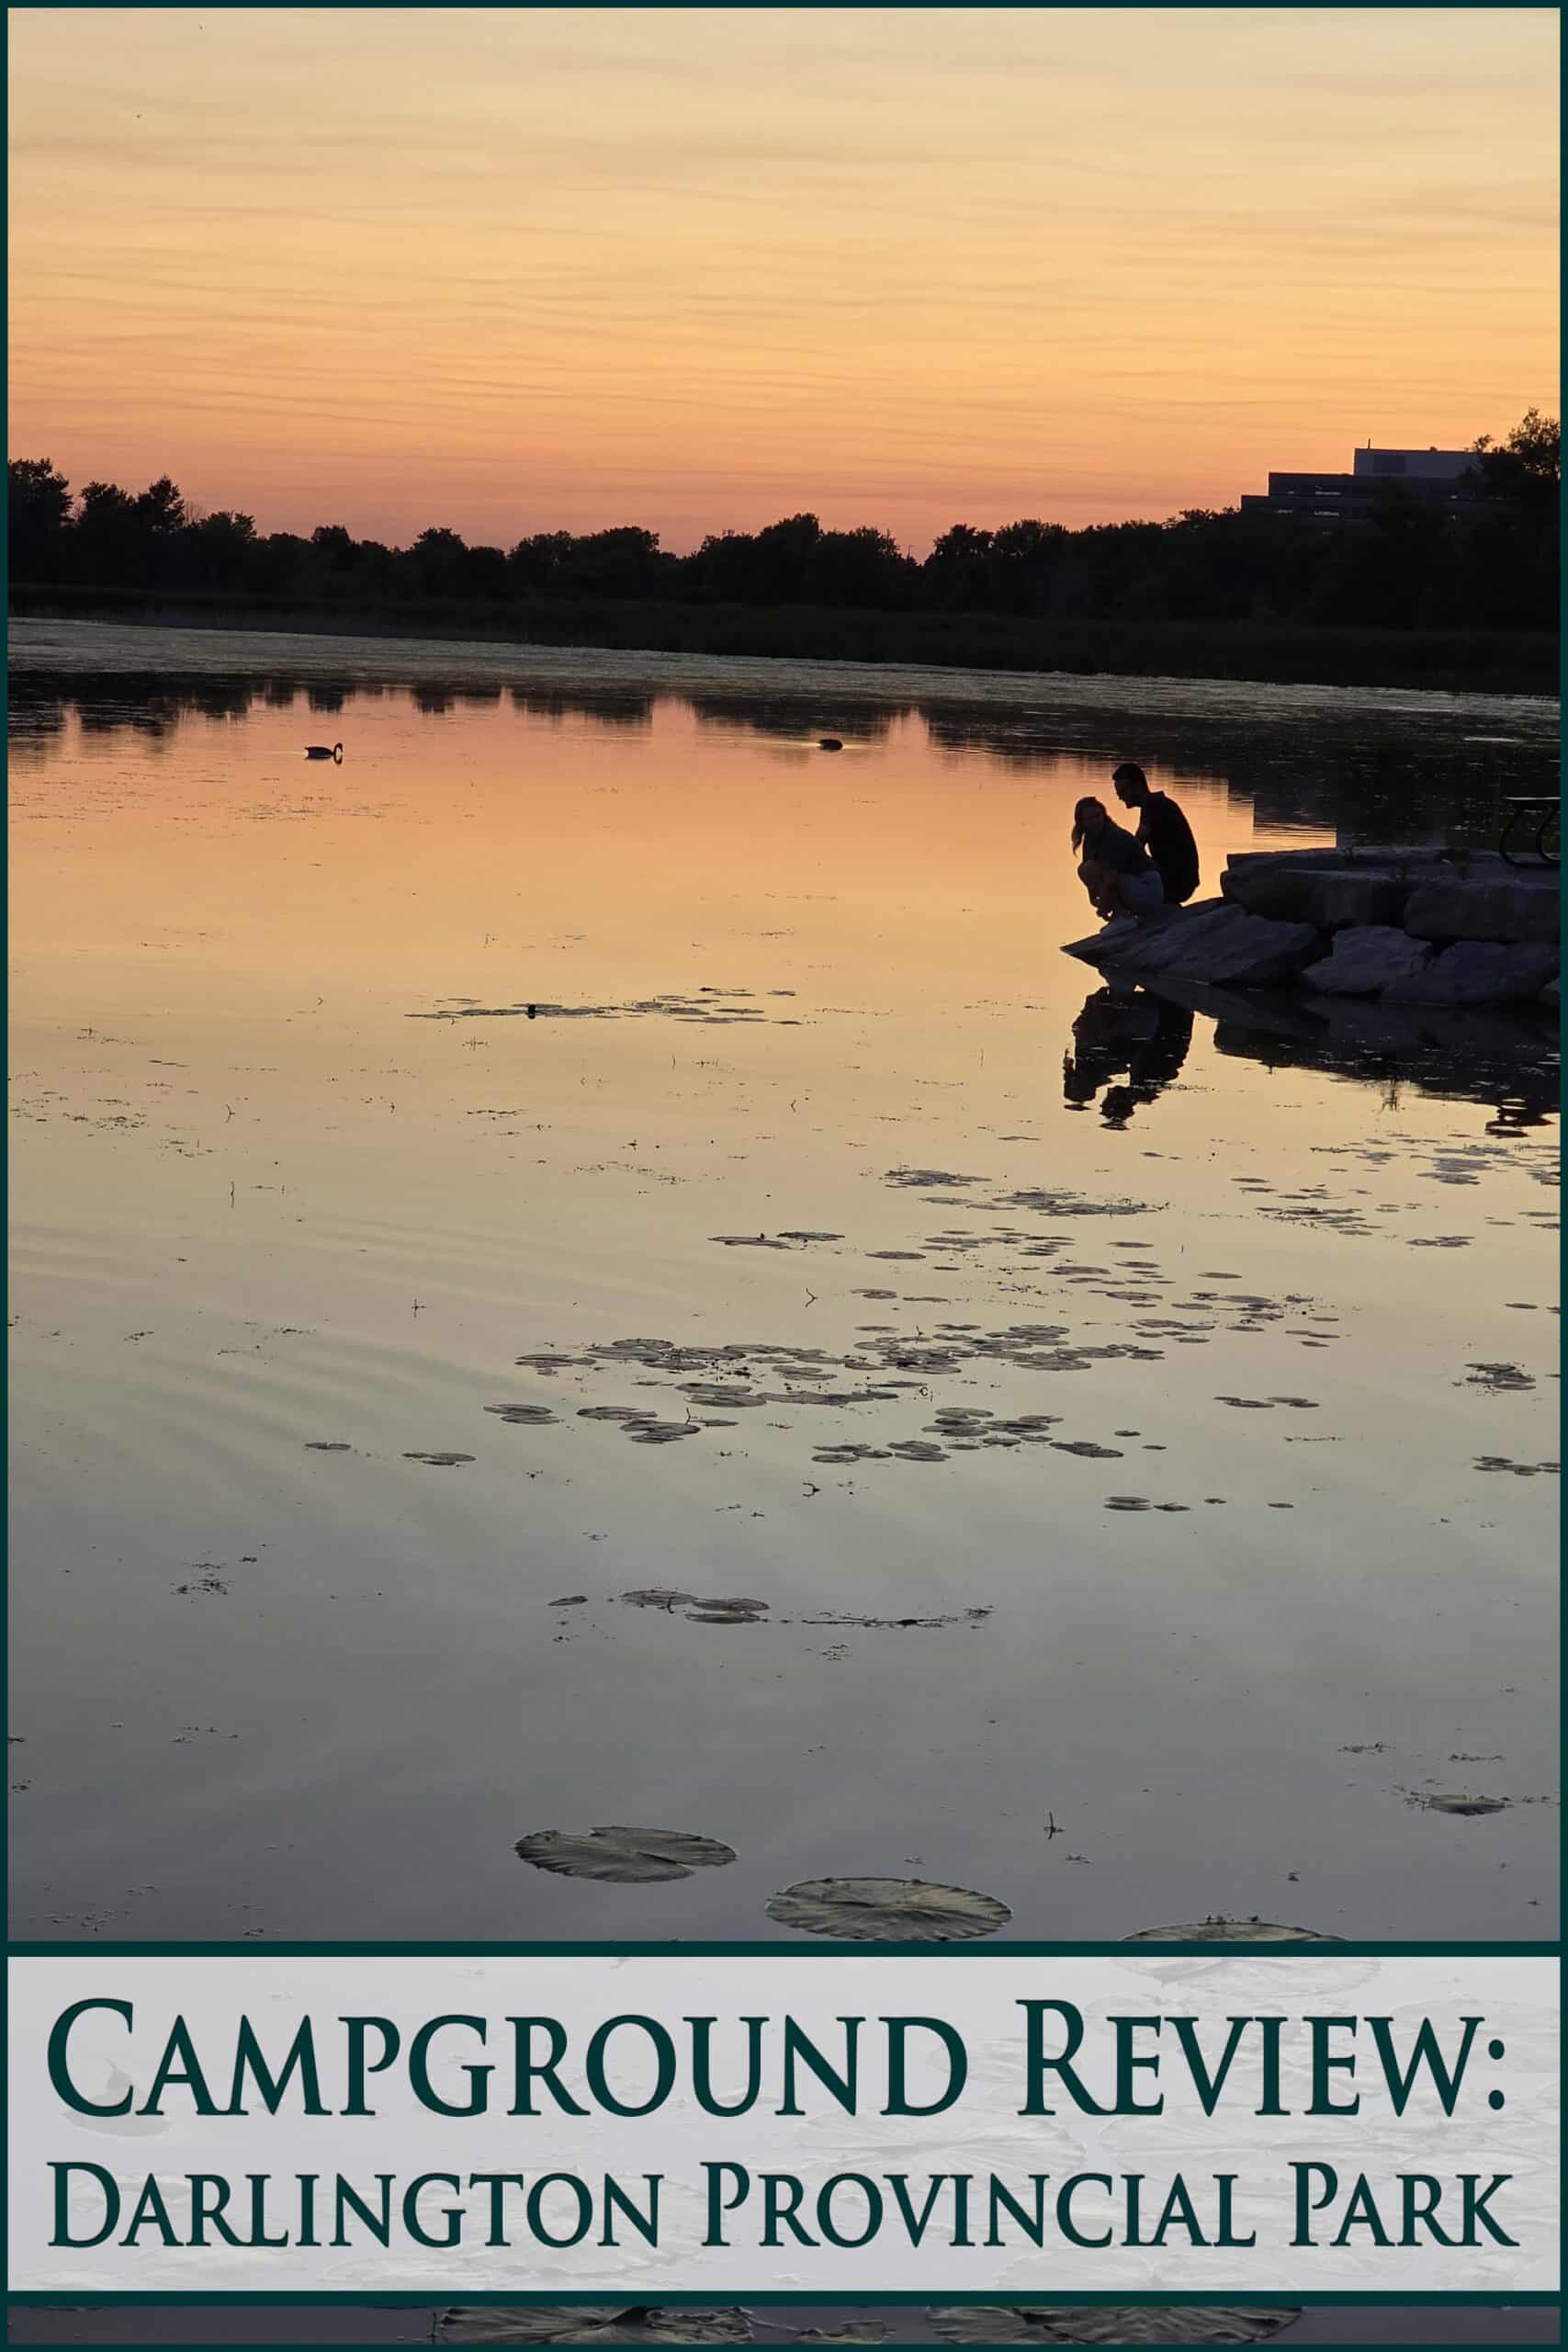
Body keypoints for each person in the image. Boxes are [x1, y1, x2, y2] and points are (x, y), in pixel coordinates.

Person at [1111, 762, 1201, 906]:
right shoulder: (1156, 803)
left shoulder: (1152, 804)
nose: (1120, 797)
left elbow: (1137, 845)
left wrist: (1113, 866)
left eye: (1122, 792)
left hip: (1177, 882)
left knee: (1117, 875)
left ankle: (1121, 918)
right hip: (1180, 879)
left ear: (1138, 786)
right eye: (1118, 793)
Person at [1071, 795, 1164, 921]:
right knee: (1084, 868)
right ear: (1081, 822)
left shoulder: (1113, 836)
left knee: (1099, 873)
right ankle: (1120, 914)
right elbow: (1090, 872)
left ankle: (1121, 916)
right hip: (1131, 885)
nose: (1095, 821)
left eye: (1097, 816)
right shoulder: (1090, 838)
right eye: (1089, 818)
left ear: (1104, 815)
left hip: (1147, 887)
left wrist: (1103, 905)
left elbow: (1111, 878)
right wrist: (1093, 898)